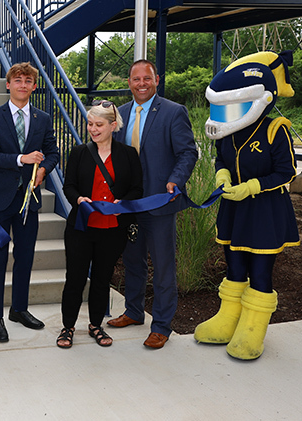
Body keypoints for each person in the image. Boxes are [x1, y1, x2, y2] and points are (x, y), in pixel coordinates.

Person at [195, 51, 299, 360]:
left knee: (260, 271)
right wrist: (222, 174)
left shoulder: (274, 128)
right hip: (234, 208)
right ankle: (228, 319)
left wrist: (253, 186)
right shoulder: (227, 131)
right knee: (234, 264)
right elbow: (220, 158)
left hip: (265, 211)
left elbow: (286, 171)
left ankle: (253, 329)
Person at [107, 59, 198, 349]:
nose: (141, 84)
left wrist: (176, 179)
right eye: (136, 79)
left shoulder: (173, 112)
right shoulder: (118, 115)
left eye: (147, 78)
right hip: (129, 205)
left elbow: (187, 152)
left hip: (160, 202)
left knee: (163, 266)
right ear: (129, 82)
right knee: (133, 262)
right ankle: (134, 312)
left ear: (156, 79)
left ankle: (161, 325)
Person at [0, 62, 59, 342]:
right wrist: (21, 160)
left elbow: (52, 152)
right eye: (18, 80)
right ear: (8, 84)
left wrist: (43, 169)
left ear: (34, 86)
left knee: (25, 257)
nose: (23, 85)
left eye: (28, 81)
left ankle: (19, 309)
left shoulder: (43, 118)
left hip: (30, 199)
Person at [57, 101, 142, 349]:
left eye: (99, 125)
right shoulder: (79, 152)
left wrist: (122, 202)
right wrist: (78, 199)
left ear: (113, 126)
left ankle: (96, 325)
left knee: (103, 279)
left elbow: (138, 189)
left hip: (113, 229)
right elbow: (68, 186)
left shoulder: (128, 155)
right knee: (75, 278)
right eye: (90, 124)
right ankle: (68, 327)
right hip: (81, 228)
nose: (93, 129)